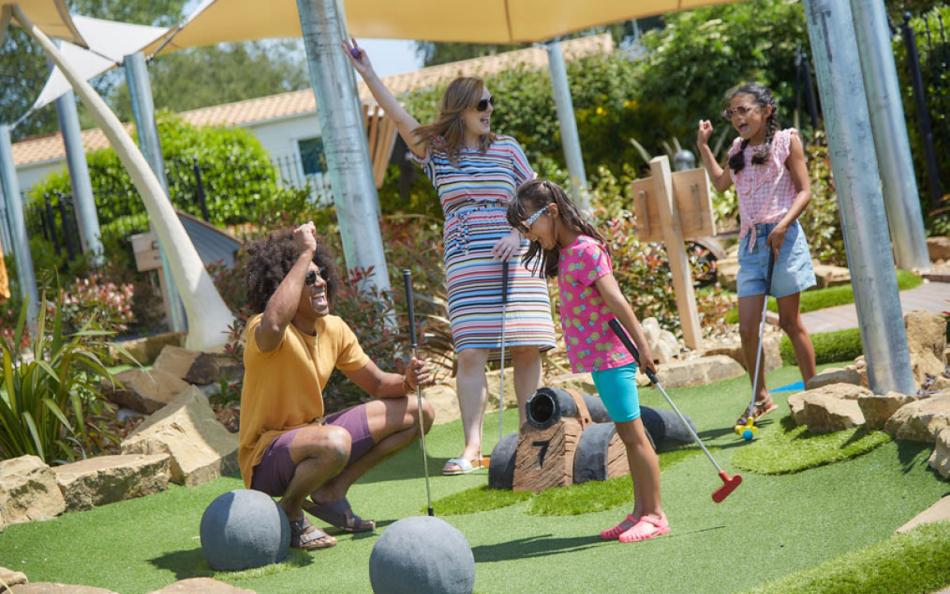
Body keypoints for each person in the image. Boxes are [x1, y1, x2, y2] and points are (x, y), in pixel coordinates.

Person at [345, 39, 556, 475]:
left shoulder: (508, 148)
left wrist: (520, 237)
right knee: (471, 354)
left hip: (515, 259)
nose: (489, 108)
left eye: (490, 101)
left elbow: (540, 199)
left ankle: (529, 440)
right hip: (467, 263)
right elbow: (401, 118)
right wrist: (366, 71)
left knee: (525, 348)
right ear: (459, 108)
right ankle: (473, 448)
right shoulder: (437, 154)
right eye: (481, 102)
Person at [238, 222, 435, 550]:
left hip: (317, 438)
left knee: (420, 411)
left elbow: (377, 384)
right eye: (309, 278)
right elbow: (275, 322)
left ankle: (331, 491)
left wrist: (407, 381)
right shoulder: (264, 329)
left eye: (321, 274)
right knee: (336, 442)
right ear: (283, 286)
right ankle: (290, 511)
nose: (321, 283)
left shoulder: (334, 329)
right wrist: (305, 252)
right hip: (265, 458)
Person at [507, 179, 669, 543]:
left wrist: (643, 348)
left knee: (635, 436)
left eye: (528, 226)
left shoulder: (585, 250)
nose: (529, 236)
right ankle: (640, 511)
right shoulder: (567, 253)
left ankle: (656, 514)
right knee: (628, 437)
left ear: (550, 212)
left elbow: (617, 301)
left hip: (614, 356)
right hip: (600, 358)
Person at [696, 83, 817, 425]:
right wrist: (702, 146)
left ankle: (814, 392)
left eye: (744, 109)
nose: (737, 117)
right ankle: (761, 398)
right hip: (752, 245)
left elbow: (805, 191)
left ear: (765, 110)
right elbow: (721, 184)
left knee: (791, 322)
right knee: (747, 329)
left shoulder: (786, 141)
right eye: (732, 112)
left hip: (784, 237)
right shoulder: (737, 148)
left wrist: (782, 226)